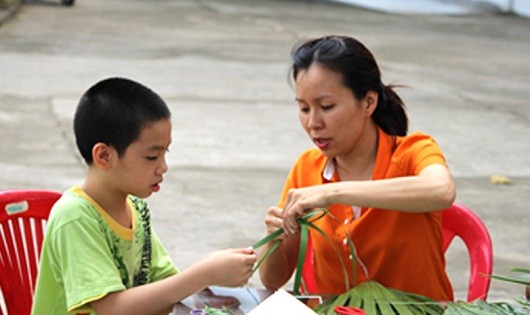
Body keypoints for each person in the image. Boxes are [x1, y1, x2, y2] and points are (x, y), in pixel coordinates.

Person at [31, 77, 257, 315]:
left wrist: (209, 268)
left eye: (164, 154)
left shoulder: (134, 207)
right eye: (152, 157)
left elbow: (164, 287)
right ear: (104, 156)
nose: (163, 167)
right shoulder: (75, 218)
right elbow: (113, 309)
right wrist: (204, 274)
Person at [258, 35, 456, 301]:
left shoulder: (412, 152)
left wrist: (335, 192)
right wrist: (274, 236)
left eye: (326, 107)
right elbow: (273, 279)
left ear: (368, 102)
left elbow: (441, 191)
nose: (313, 122)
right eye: (304, 108)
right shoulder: (307, 167)